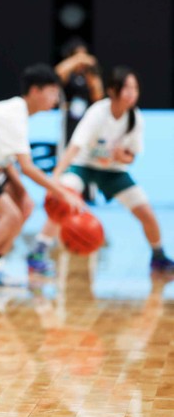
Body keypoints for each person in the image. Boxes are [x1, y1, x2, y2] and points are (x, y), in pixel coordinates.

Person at [0, 63, 84, 289]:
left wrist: (21, 191)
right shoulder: (14, 115)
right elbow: (28, 167)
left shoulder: (17, 112)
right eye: (52, 92)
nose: (56, 99)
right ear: (36, 91)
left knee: (24, 205)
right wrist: (63, 193)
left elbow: (9, 161)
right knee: (11, 216)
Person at [27, 66, 174, 274]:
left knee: (146, 212)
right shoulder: (98, 112)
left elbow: (131, 157)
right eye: (127, 88)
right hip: (84, 165)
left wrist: (121, 156)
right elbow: (74, 147)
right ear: (113, 91)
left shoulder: (136, 118)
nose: (132, 93)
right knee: (63, 201)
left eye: (135, 88)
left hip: (113, 171)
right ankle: (38, 251)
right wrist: (56, 179)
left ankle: (158, 256)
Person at [55, 36, 103, 147]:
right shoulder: (68, 73)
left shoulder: (88, 75)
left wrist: (92, 70)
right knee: (67, 145)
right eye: (77, 55)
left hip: (86, 116)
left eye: (84, 55)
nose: (82, 60)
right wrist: (77, 59)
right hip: (68, 117)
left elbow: (98, 96)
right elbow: (56, 76)